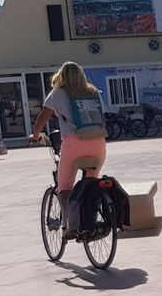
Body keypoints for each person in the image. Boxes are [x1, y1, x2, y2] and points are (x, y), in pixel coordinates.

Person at [30, 62, 107, 234]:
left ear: (61, 76)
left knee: (64, 186)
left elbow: (42, 119)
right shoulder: (93, 92)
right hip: (98, 142)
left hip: (73, 143)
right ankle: (90, 221)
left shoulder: (58, 93)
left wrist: (35, 135)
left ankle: (72, 225)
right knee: (92, 183)